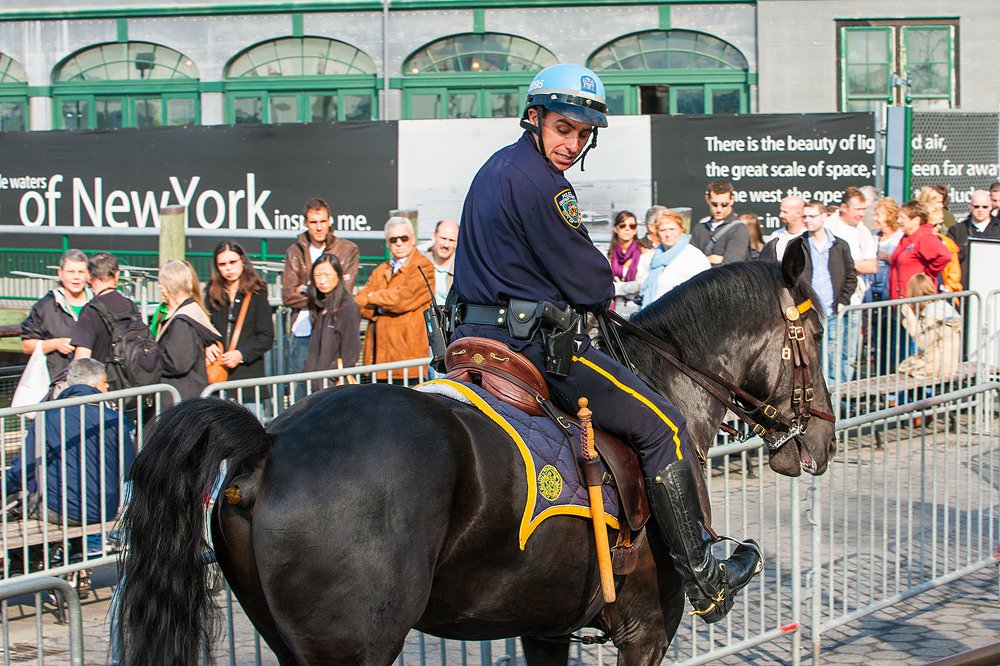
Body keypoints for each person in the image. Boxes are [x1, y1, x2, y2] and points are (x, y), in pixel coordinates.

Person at [451, 63, 760, 624]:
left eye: (583, 133)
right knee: (662, 424)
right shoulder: (544, 184)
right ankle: (705, 579)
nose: (572, 143)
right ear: (535, 117)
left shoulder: (493, 168)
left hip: (468, 339)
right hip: (530, 345)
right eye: (563, 128)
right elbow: (589, 283)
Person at [5, 358, 135, 526]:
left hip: (63, 510)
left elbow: (22, 469)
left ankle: (36, 552)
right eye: (105, 382)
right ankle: (69, 549)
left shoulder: (48, 416)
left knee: (17, 500)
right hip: (106, 509)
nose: (108, 387)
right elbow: (129, 466)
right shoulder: (114, 419)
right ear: (94, 386)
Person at [282, 198, 360, 374]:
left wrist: (304, 288)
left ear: (330, 221)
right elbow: (287, 296)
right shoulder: (294, 252)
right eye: (313, 222)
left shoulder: (347, 249)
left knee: (329, 392)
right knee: (301, 390)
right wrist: (319, 296)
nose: (319, 227)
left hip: (332, 331)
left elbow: (342, 293)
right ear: (305, 223)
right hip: (302, 332)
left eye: (323, 221)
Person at [784, 201, 857, 384]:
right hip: (808, 312)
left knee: (834, 357)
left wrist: (843, 301)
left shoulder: (840, 245)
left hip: (833, 310)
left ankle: (836, 402)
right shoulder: (797, 244)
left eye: (812, 216)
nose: (808, 220)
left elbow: (850, 276)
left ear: (824, 217)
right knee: (811, 359)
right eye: (805, 216)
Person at [355, 217, 434, 382]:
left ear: (412, 240)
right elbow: (359, 301)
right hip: (377, 361)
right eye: (393, 239)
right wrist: (383, 303)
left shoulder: (423, 267)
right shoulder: (381, 270)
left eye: (403, 238)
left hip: (407, 362)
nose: (399, 243)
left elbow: (402, 299)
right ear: (387, 243)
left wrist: (374, 298)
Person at [824, 186, 878, 382]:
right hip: (832, 301)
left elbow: (872, 265)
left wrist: (846, 262)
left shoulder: (863, 231)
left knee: (851, 350)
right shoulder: (829, 227)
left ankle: (844, 391)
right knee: (830, 349)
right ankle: (830, 391)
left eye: (864, 209)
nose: (862, 214)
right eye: (858, 209)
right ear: (844, 207)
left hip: (855, 300)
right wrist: (853, 264)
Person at [206, 241, 275, 388]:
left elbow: (266, 335)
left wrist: (241, 354)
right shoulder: (211, 292)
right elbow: (203, 328)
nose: (228, 268)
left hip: (248, 378)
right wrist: (207, 344)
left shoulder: (257, 291)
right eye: (222, 264)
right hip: (217, 378)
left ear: (242, 261)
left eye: (232, 262)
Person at [20, 249, 92, 382]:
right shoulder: (45, 306)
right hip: (58, 383)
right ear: (61, 274)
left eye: (80, 272)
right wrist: (54, 344)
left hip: (94, 383)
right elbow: (26, 346)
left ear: (88, 275)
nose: (76, 277)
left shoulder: (97, 304)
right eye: (71, 272)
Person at [156, 260, 222, 400]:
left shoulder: (182, 321)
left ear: (165, 288)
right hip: (190, 394)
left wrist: (150, 358)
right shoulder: (194, 311)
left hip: (182, 397)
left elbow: (178, 362)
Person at [71, 253, 135, 364]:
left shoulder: (90, 312)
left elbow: (81, 362)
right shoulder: (131, 306)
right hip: (132, 378)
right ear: (117, 275)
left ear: (89, 277)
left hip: (102, 379)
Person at [304, 253, 361, 374]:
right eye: (317, 275)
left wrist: (334, 376)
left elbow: (351, 351)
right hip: (315, 381)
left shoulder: (347, 307)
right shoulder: (319, 305)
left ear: (338, 275)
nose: (322, 280)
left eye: (327, 275)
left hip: (333, 383)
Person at [640, 209, 710, 306]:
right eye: (663, 230)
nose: (668, 234)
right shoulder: (651, 257)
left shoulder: (694, 256)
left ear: (681, 229)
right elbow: (640, 284)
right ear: (657, 232)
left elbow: (704, 291)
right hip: (651, 315)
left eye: (672, 229)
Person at [897, 274, 962, 380]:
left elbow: (924, 342)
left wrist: (910, 319)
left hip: (936, 367)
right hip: (950, 364)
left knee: (903, 367)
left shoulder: (931, 312)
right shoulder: (944, 306)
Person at [889, 201, 952, 300]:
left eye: (902, 218)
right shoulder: (906, 237)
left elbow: (945, 255)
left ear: (916, 220)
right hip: (901, 299)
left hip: (916, 300)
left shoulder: (924, 237)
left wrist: (929, 274)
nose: (898, 221)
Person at [947, 189, 1000, 290]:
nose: (980, 210)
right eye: (976, 206)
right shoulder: (957, 230)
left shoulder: (998, 228)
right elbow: (951, 259)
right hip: (966, 287)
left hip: (994, 285)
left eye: (985, 207)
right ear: (970, 206)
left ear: (991, 207)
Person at [691, 179, 750, 266]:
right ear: (707, 199)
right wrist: (708, 259)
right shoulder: (699, 228)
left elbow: (732, 265)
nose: (719, 209)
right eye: (714, 204)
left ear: (732, 200)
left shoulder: (739, 229)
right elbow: (689, 262)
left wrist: (701, 261)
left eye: (724, 204)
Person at [607, 210, 650, 317]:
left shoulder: (645, 254)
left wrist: (616, 287)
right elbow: (602, 286)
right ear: (615, 229)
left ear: (635, 230)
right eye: (622, 225)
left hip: (637, 311)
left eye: (632, 226)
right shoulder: (608, 255)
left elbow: (641, 286)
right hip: (613, 312)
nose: (627, 229)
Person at [423, 219, 459, 305]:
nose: (446, 245)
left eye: (451, 240)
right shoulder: (420, 263)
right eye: (443, 238)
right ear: (434, 237)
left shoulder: (461, 269)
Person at [760, 195, 806, 262]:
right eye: (781, 211)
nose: (781, 215)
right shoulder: (776, 235)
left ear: (799, 213)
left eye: (785, 212)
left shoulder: (809, 236)